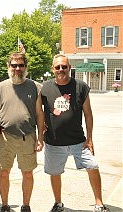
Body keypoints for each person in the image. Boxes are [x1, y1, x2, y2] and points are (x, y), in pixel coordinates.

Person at [41, 54, 109, 212]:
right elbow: (38, 111)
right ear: (53, 69)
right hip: (54, 141)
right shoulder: (44, 88)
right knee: (55, 172)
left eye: (64, 66)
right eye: (57, 67)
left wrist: (90, 138)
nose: (61, 69)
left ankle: (99, 203)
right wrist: (40, 128)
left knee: (93, 166)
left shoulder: (81, 86)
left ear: (69, 68)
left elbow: (88, 114)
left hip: (79, 140)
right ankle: (58, 203)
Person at [0, 52, 45, 212]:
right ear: (8, 67)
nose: (17, 68)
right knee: (4, 172)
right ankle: (5, 205)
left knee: (27, 173)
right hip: (5, 137)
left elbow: (39, 114)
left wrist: (40, 137)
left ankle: (26, 206)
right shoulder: (0, 87)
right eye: (14, 65)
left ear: (26, 67)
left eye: (21, 65)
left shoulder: (35, 87)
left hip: (27, 138)